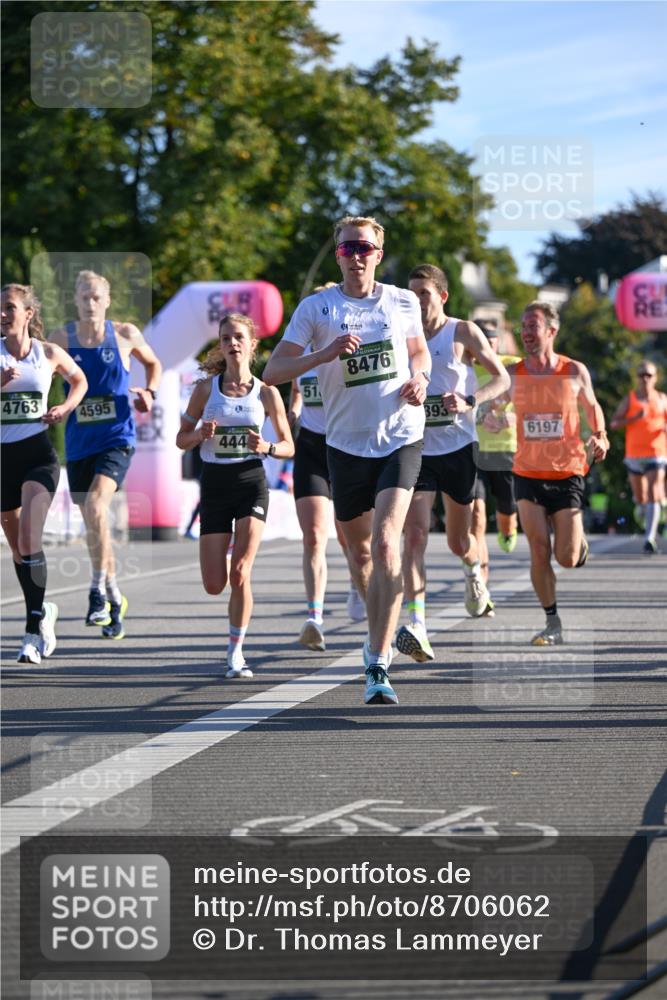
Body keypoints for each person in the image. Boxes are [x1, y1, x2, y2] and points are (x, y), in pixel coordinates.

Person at [264, 215, 431, 705]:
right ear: (337, 255)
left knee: (385, 545)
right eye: (346, 248)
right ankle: (380, 626)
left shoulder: (401, 301)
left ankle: (377, 664)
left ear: (379, 253)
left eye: (364, 247)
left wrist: (421, 379)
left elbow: (419, 353)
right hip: (344, 444)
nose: (355, 255)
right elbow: (273, 370)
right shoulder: (317, 308)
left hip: (401, 434)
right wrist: (323, 355)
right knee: (360, 556)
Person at [396, 265, 510, 663]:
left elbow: (501, 379)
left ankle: (473, 571)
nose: (416, 301)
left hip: (458, 447)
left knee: (460, 541)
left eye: (423, 293)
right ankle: (417, 625)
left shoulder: (462, 332)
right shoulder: (402, 336)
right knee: (414, 536)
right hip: (417, 447)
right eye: (411, 294)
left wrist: (469, 401)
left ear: (442, 297)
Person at [176, 312, 294, 678]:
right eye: (226, 338)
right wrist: (200, 435)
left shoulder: (267, 393)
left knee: (241, 571)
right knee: (215, 584)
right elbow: (181, 439)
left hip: (250, 482)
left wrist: (268, 447)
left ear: (252, 344)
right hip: (214, 484)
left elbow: (289, 445)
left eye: (239, 337)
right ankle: (226, 575)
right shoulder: (204, 390)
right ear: (221, 346)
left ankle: (235, 653)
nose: (233, 344)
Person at [50, 270, 162, 639]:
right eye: (83, 297)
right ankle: (115, 597)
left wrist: (150, 392)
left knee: (97, 506)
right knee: (94, 526)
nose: (90, 303)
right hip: (79, 442)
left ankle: (96, 591)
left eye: (96, 297)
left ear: (107, 300)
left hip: (117, 438)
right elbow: (40, 375)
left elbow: (154, 364)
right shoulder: (61, 338)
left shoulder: (126, 334)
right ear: (75, 300)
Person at [508, 301, 609, 645]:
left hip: (567, 472)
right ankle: (552, 622)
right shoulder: (513, 374)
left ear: (551, 331)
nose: (525, 333)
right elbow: (495, 405)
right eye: (522, 326)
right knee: (539, 549)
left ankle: (576, 542)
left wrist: (601, 436)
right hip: (527, 472)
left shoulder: (573, 371)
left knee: (565, 557)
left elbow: (593, 408)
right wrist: (491, 416)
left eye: (532, 326)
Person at [1, 284, 87, 663]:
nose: (3, 315)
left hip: (38, 455)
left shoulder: (47, 353)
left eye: (9, 308)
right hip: (3, 459)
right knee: (19, 547)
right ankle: (44, 609)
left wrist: (65, 407)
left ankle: (33, 628)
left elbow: (80, 380)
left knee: (31, 538)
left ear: (28, 314)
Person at [288, 283, 366, 653]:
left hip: (346, 443)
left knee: (350, 537)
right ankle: (315, 617)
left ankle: (356, 582)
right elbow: (298, 390)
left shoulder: (349, 342)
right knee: (315, 535)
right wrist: (294, 409)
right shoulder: (300, 346)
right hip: (311, 447)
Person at [469, 323, 522, 603]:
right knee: (476, 516)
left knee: (507, 508)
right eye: (482, 342)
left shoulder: (512, 366)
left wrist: (513, 417)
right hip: (473, 449)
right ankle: (481, 583)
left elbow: (536, 394)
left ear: (498, 343)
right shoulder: (464, 366)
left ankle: (508, 528)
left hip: (504, 449)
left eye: (492, 342)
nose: (487, 349)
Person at [610, 362, 667, 554]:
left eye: (649, 375)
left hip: (656, 453)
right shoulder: (630, 399)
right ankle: (644, 510)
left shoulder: (662, 399)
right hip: (634, 455)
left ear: (655, 377)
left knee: (653, 492)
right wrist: (633, 418)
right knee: (641, 498)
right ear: (637, 377)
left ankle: (649, 538)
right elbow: (614, 423)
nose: (645, 378)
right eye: (642, 374)